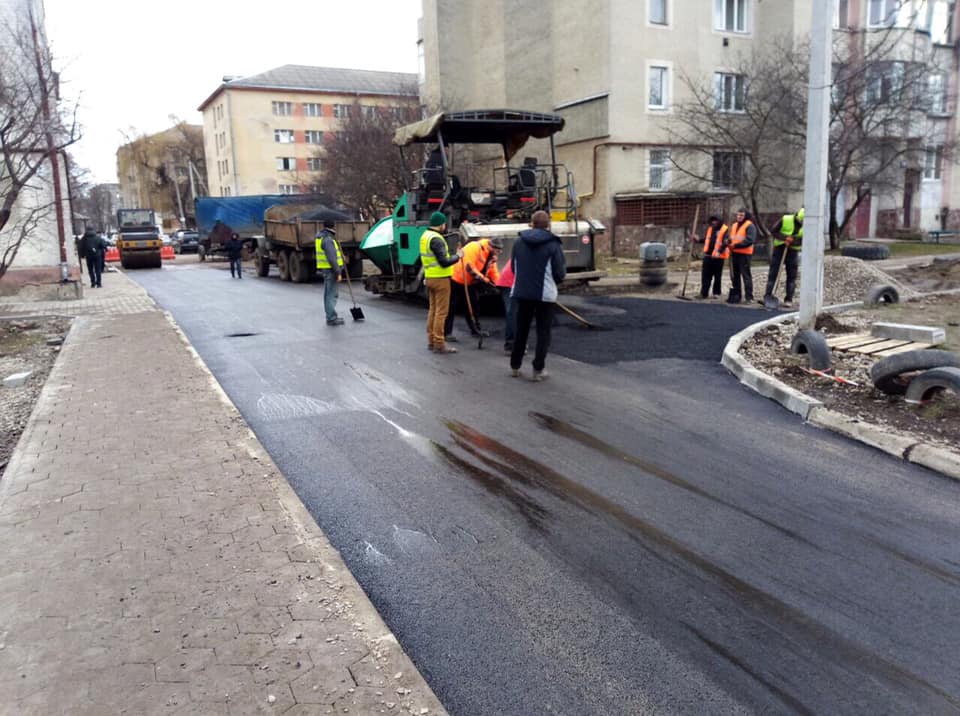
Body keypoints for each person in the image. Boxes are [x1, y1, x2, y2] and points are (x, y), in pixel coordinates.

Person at [510, 210, 565, 382]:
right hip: (545, 295)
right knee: (543, 333)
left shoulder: (518, 242)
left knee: (521, 330)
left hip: (522, 292)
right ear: (548, 224)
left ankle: (515, 366)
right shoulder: (553, 244)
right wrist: (554, 283)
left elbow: (513, 267)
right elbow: (560, 272)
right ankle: (538, 369)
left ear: (531, 223)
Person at [420, 211, 463, 353]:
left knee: (433, 310)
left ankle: (431, 340)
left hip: (430, 278)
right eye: (444, 223)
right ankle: (439, 343)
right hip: (441, 280)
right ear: (441, 224)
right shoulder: (436, 239)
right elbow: (444, 262)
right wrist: (458, 256)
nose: (445, 226)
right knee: (441, 313)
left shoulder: (425, 236)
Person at [445, 236, 503, 341]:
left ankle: (476, 330)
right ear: (491, 246)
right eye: (498, 250)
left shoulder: (491, 257)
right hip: (457, 280)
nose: (499, 252)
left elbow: (493, 272)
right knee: (451, 307)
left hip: (470, 283)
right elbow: (469, 267)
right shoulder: (474, 247)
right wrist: (483, 278)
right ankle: (447, 333)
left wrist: (499, 285)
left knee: (473, 306)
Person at [764, 207, 804, 307]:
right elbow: (774, 231)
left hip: (793, 251)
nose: (801, 224)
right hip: (779, 249)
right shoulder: (786, 219)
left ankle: (789, 299)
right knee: (773, 273)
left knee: (791, 276)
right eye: (800, 221)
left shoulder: (808, 226)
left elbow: (804, 239)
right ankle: (768, 295)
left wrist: (793, 241)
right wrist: (785, 238)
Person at [691, 215, 728, 300]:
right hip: (708, 256)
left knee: (717, 276)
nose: (713, 222)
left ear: (719, 221)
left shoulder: (724, 229)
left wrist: (719, 251)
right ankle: (704, 293)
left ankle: (716, 293)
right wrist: (698, 240)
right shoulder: (710, 229)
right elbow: (707, 240)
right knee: (705, 276)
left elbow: (726, 242)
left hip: (718, 257)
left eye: (715, 221)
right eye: (712, 221)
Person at [315, 219, 344, 325]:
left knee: (329, 293)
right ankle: (331, 317)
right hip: (331, 270)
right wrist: (338, 272)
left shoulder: (321, 236)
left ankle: (331, 316)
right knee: (331, 294)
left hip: (326, 269)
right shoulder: (328, 239)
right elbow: (332, 258)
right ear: (333, 226)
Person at [727, 207, 756, 304]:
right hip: (735, 253)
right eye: (738, 215)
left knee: (746, 275)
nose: (739, 217)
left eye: (741, 215)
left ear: (746, 216)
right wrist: (728, 242)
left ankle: (749, 297)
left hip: (745, 254)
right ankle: (737, 295)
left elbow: (749, 240)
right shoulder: (734, 225)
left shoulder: (750, 226)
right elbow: (732, 238)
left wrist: (735, 245)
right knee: (735, 276)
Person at [495, 257, 517, 353]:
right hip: (509, 282)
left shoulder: (523, 247)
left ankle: (513, 343)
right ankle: (511, 344)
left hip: (509, 281)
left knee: (513, 312)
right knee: (512, 313)